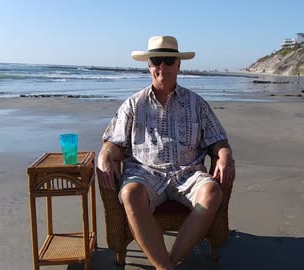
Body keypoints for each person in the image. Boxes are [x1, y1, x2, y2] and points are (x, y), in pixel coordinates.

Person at [97, 36, 235, 270]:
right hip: (145, 173)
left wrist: (225, 156)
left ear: (178, 65)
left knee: (212, 192)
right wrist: (104, 156)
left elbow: (218, 140)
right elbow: (114, 143)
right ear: (149, 65)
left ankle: (167, 264)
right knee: (130, 194)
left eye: (169, 60)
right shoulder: (133, 104)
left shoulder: (196, 103)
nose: (162, 66)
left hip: (188, 173)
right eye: (156, 60)